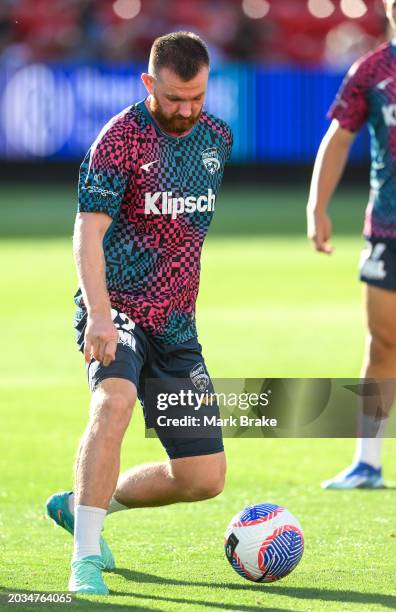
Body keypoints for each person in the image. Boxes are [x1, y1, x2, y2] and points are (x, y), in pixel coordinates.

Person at [46, 31, 233, 594]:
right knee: (114, 401)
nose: (186, 110)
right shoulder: (120, 139)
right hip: (117, 312)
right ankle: (84, 558)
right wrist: (99, 316)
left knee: (203, 478)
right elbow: (88, 231)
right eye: (175, 97)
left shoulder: (218, 138)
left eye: (196, 97)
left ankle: (82, 502)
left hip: (177, 327)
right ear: (150, 83)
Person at [307, 0, 396, 490]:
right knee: (383, 343)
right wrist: (317, 206)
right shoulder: (374, 70)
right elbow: (339, 138)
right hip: (388, 227)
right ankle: (368, 461)